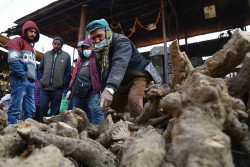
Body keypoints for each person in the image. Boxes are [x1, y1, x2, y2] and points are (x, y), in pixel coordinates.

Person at [86, 19, 161, 118]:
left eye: (99, 36)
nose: (97, 41)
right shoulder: (99, 52)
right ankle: (112, 129)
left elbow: (119, 63)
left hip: (137, 75)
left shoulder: (121, 41)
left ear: (107, 31)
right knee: (112, 110)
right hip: (120, 81)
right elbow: (103, 73)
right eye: (93, 38)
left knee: (134, 101)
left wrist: (109, 89)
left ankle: (140, 128)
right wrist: (103, 92)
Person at [7, 21, 40, 124]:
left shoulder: (32, 48)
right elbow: (13, 61)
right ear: (25, 31)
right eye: (31, 31)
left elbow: (32, 65)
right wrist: (24, 77)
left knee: (30, 110)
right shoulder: (17, 41)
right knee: (16, 108)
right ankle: (11, 131)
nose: (33, 34)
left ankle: (28, 131)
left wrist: (34, 80)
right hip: (19, 80)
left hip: (30, 82)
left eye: (35, 32)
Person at [66, 38, 104, 124]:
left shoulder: (98, 59)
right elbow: (75, 75)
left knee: (95, 109)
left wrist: (103, 88)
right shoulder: (81, 61)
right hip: (79, 89)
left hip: (93, 89)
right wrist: (70, 89)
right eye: (85, 48)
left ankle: (101, 131)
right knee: (77, 111)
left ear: (94, 47)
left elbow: (104, 74)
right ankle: (80, 132)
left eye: (89, 47)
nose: (86, 50)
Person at [38, 37, 71, 122]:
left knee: (54, 111)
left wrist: (63, 83)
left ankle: (51, 128)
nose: (56, 46)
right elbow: (40, 69)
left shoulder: (66, 56)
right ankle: (41, 125)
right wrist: (41, 80)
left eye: (58, 44)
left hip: (57, 89)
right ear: (52, 44)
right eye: (55, 43)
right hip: (45, 88)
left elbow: (68, 72)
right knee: (43, 107)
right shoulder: (46, 55)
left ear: (61, 45)